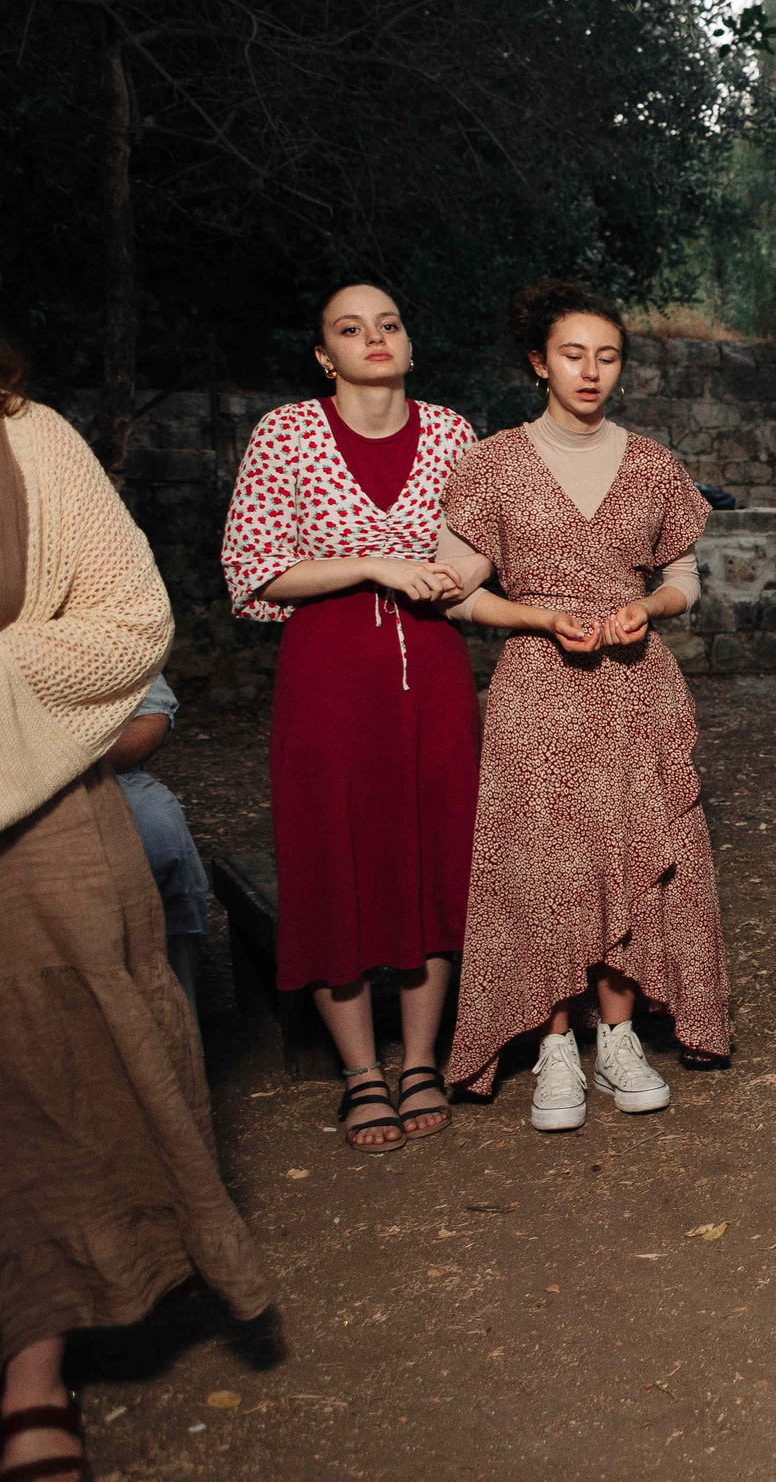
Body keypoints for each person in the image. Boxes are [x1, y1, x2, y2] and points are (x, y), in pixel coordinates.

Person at [2, 349, 272, 1482]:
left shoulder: (34, 440)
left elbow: (130, 620)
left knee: (56, 1075)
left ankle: (32, 1372)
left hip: (36, 817)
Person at [437, 279, 730, 1129]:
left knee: (629, 858)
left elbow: (683, 575)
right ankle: (554, 1047)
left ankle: (620, 1036)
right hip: (538, 688)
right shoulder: (491, 463)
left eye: (607, 356)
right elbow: (458, 592)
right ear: (540, 362)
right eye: (573, 354)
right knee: (544, 866)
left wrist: (654, 607)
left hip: (634, 688)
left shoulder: (652, 464)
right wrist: (536, 615)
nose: (591, 371)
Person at [219, 281, 480, 1152]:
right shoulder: (286, 433)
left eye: (391, 324)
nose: (375, 337)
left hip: (431, 671)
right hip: (329, 674)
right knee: (332, 849)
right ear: (324, 354)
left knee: (429, 846)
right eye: (350, 328)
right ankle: (359, 1070)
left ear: (409, 343)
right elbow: (253, 568)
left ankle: (419, 1061)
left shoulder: (451, 433)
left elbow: (478, 550)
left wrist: (458, 574)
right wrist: (371, 563)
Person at [105, 677, 213, 1015]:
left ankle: (176, 1022)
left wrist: (78, 762)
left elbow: (152, 714)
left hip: (107, 772)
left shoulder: (101, 626)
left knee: (159, 831)